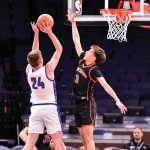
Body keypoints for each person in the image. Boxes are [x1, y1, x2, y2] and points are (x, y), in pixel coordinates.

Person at [67, 9, 128, 150]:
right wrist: (74, 23)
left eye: (89, 51)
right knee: (82, 138)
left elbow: (106, 86)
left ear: (93, 58)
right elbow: (76, 41)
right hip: (77, 103)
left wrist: (117, 100)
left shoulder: (94, 70)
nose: (86, 51)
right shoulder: (83, 60)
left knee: (88, 139)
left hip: (87, 104)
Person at [23, 21, 65, 150]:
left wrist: (36, 33)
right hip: (49, 107)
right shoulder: (48, 68)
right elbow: (59, 49)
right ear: (41, 60)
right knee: (57, 138)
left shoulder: (29, 70)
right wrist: (49, 32)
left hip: (35, 108)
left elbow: (34, 52)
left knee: (30, 142)